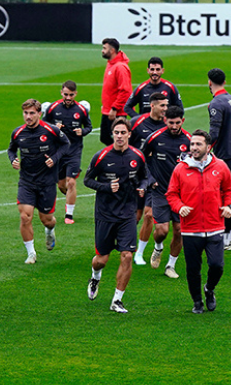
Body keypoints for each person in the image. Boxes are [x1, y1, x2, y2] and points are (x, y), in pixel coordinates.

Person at [166, 130, 231, 314]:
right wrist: (179, 206)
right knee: (193, 270)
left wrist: (229, 206)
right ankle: (197, 302)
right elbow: (171, 194)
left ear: (208, 146)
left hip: (215, 227)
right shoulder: (180, 169)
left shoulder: (220, 166)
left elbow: (230, 189)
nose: (194, 148)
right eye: (192, 144)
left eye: (198, 144)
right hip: (190, 230)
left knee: (217, 265)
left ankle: (209, 289)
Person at [84, 118, 147, 314]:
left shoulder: (137, 156)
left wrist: (142, 187)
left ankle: (117, 300)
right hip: (105, 213)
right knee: (101, 259)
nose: (119, 136)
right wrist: (105, 187)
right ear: (112, 135)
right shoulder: (101, 156)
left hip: (127, 213)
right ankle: (95, 276)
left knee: (127, 255)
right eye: (116, 133)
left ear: (129, 134)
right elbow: (87, 180)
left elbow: (146, 176)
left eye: (123, 132)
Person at [8, 99, 70, 263]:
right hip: (27, 182)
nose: (28, 117)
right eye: (25, 113)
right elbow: (11, 149)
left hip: (47, 182)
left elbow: (66, 144)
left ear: (39, 114)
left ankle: (50, 230)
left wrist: (55, 158)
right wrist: (13, 159)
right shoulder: (18, 133)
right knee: (25, 217)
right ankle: (31, 253)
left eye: (31, 113)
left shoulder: (51, 130)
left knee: (46, 219)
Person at [141, 106, 192, 279]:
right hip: (160, 191)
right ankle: (158, 247)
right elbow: (141, 159)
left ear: (182, 121)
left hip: (182, 194)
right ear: (165, 121)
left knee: (179, 230)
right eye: (171, 123)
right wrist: (149, 179)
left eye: (178, 123)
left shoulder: (190, 141)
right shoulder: (154, 138)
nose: (174, 126)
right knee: (162, 230)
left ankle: (171, 265)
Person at [42, 80, 92, 225]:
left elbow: (89, 126)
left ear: (75, 94)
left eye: (71, 95)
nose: (68, 98)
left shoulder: (81, 110)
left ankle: (69, 215)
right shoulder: (53, 108)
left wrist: (82, 131)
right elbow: (43, 126)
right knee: (61, 185)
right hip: (58, 152)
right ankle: (71, 197)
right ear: (61, 93)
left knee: (71, 182)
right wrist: (53, 127)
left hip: (74, 151)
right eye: (65, 94)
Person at [129, 92, 167, 266]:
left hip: (156, 178)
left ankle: (140, 253)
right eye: (162, 106)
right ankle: (128, 246)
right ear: (152, 105)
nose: (165, 109)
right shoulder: (136, 122)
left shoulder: (168, 125)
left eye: (166, 106)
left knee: (149, 215)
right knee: (135, 216)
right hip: (136, 176)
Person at [206, 68, 231, 250]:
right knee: (229, 193)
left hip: (225, 155)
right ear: (225, 81)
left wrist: (203, 150)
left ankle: (224, 238)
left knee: (221, 196)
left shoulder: (216, 103)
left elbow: (214, 133)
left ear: (209, 82)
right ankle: (229, 237)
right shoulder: (230, 99)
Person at [99, 38, 131, 146]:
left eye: (104, 48)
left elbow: (125, 91)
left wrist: (114, 108)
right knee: (105, 138)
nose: (102, 51)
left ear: (112, 51)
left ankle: (122, 159)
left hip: (116, 112)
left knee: (116, 141)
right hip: (108, 110)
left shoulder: (120, 67)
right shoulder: (111, 64)